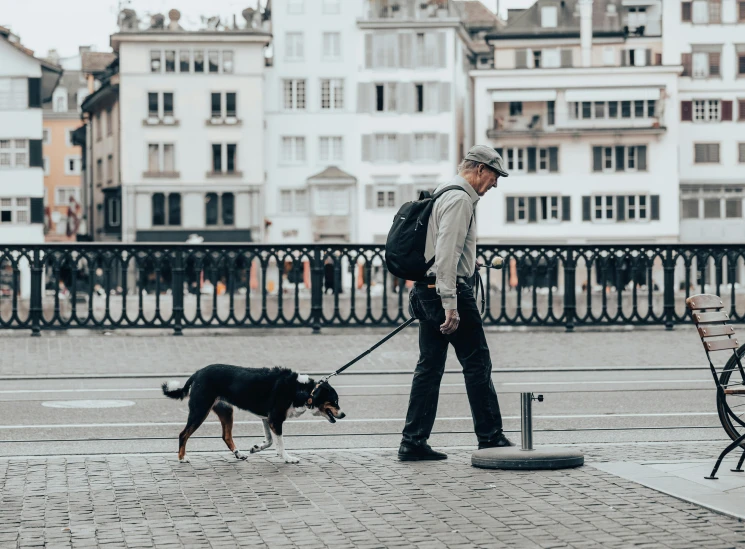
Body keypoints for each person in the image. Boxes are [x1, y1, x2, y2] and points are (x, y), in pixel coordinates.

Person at [399, 145, 513, 461]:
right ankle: (490, 437)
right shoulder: (461, 199)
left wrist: (466, 264)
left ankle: (413, 441)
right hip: (447, 293)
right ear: (479, 169)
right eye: (494, 176)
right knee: (477, 363)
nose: (495, 184)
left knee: (429, 368)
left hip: (426, 288)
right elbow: (446, 253)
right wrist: (450, 303)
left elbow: (441, 249)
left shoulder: (442, 192)